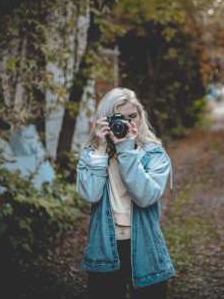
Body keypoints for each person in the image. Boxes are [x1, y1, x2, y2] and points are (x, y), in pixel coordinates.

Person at [76, 88, 175, 299]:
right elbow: (90, 195)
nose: (128, 123)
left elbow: (145, 197)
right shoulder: (92, 155)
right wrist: (101, 149)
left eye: (133, 116)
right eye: (119, 118)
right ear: (105, 120)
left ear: (141, 117)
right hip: (104, 248)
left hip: (145, 249)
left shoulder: (154, 154)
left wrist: (126, 149)